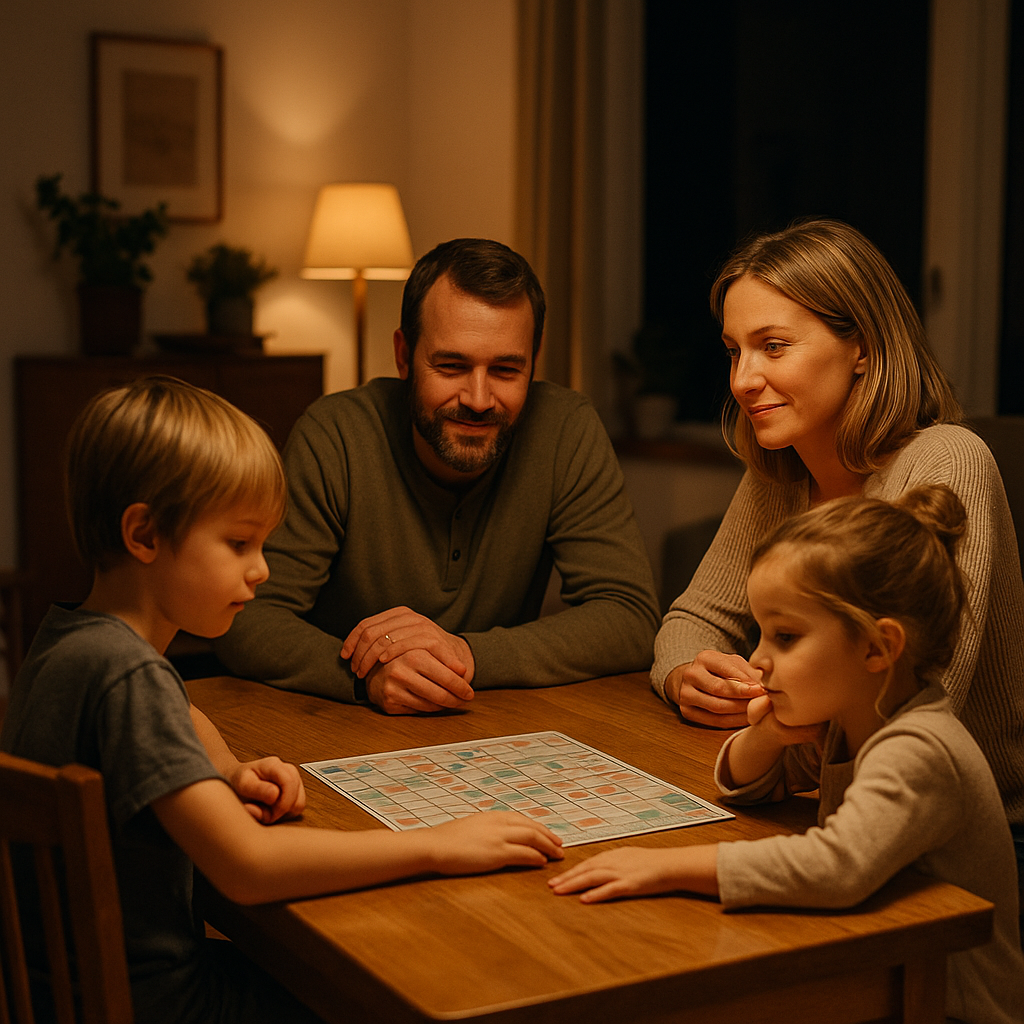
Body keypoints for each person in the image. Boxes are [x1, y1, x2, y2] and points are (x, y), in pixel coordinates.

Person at [0, 377, 563, 1024]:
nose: (262, 569)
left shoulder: (68, 641)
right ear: (145, 535)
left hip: (63, 999)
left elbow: (179, 715)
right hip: (162, 1006)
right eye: (238, 544)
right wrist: (442, 844)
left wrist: (231, 773)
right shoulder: (127, 675)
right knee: (409, 985)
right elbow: (249, 868)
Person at [551, 486, 1024, 1024]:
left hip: (951, 1004)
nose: (758, 658)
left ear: (877, 647)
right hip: (885, 965)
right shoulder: (853, 717)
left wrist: (663, 867)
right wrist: (771, 736)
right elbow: (748, 786)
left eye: (786, 636)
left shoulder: (919, 748)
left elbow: (835, 867)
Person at [649, 218, 1024, 870]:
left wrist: (767, 729)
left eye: (773, 346)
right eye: (734, 351)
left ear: (864, 347)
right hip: (823, 808)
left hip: (965, 837)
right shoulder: (780, 470)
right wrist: (690, 675)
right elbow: (689, 623)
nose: (743, 380)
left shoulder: (947, 461)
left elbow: (909, 704)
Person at [214, 238, 659, 715]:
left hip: (489, 724)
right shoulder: (335, 435)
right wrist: (367, 676)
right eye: (452, 366)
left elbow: (630, 618)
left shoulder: (565, 428)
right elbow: (245, 617)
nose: (479, 398)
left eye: (507, 369)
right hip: (336, 725)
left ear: (534, 358)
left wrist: (463, 653)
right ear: (404, 355)